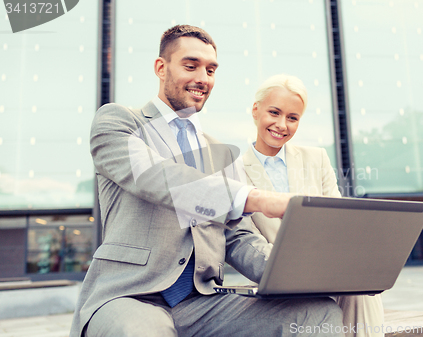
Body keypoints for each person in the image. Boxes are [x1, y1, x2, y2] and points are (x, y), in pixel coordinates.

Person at [70, 25, 345, 337]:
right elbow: (158, 177)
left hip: (200, 303)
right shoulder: (119, 122)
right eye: (191, 66)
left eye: (211, 69)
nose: (203, 78)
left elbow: (237, 237)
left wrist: (305, 270)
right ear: (161, 68)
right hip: (129, 295)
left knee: (317, 312)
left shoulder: (218, 154)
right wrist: (256, 197)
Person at [242, 74, 385, 337]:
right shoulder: (235, 171)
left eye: (293, 118)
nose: (282, 125)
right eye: (274, 112)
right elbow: (245, 240)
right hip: (277, 278)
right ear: (255, 110)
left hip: (327, 267)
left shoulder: (316, 158)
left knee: (361, 289)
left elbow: (338, 222)